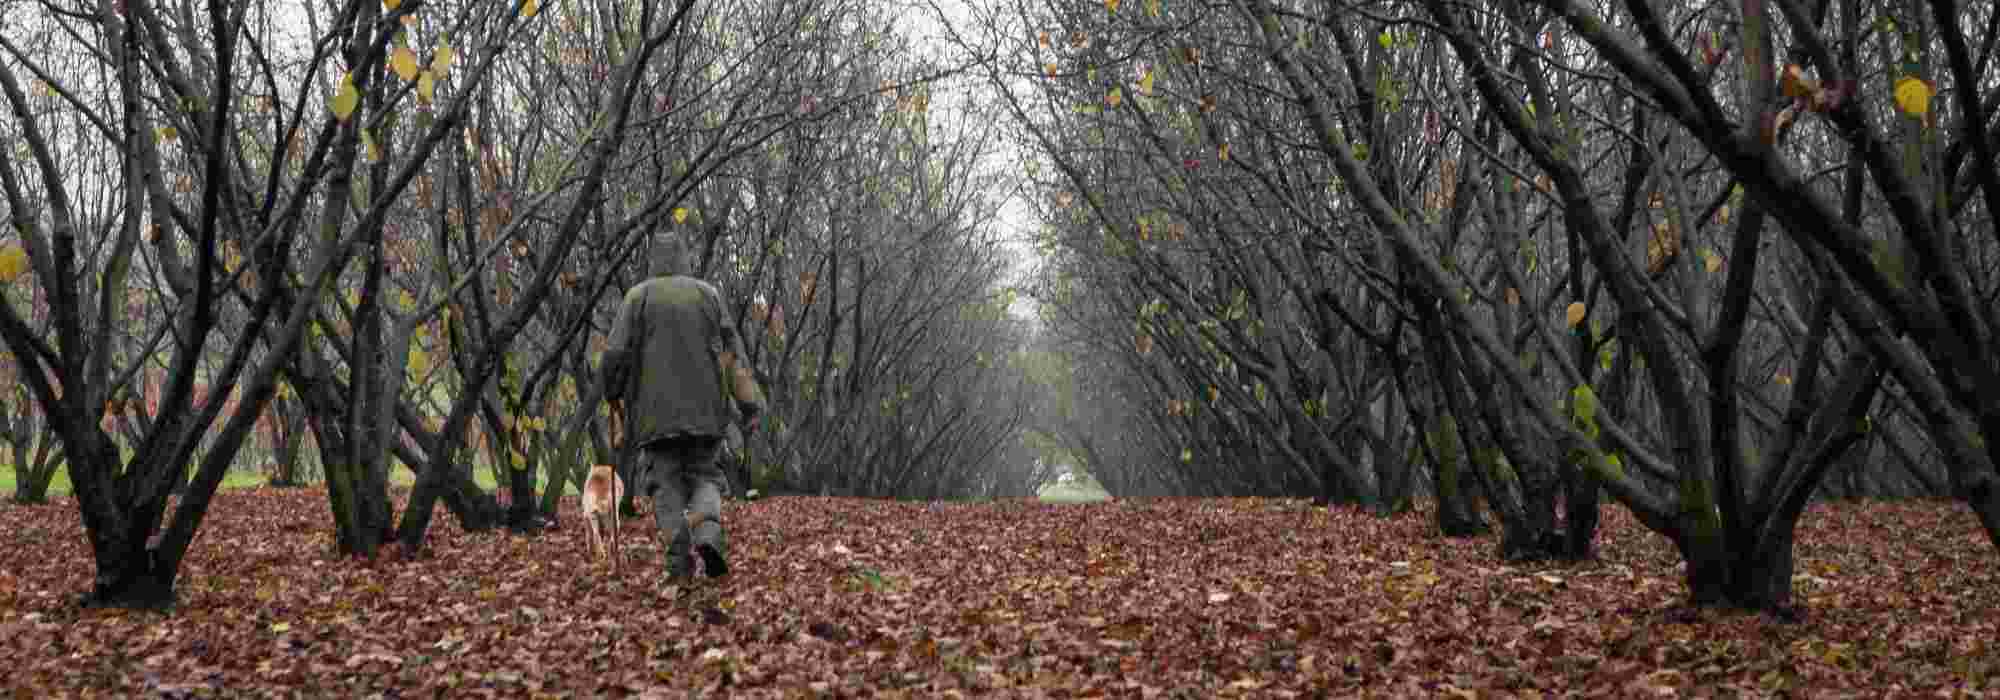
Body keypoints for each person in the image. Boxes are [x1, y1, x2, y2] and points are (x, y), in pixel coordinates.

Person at [601, 238, 763, 581]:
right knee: (706, 478)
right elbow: (733, 354)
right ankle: (708, 537)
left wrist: (612, 393)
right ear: (684, 259)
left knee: (665, 485)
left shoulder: (638, 297)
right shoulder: (708, 295)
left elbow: (614, 354)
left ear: (654, 261)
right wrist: (749, 405)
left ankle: (679, 564)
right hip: (706, 413)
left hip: (654, 416)